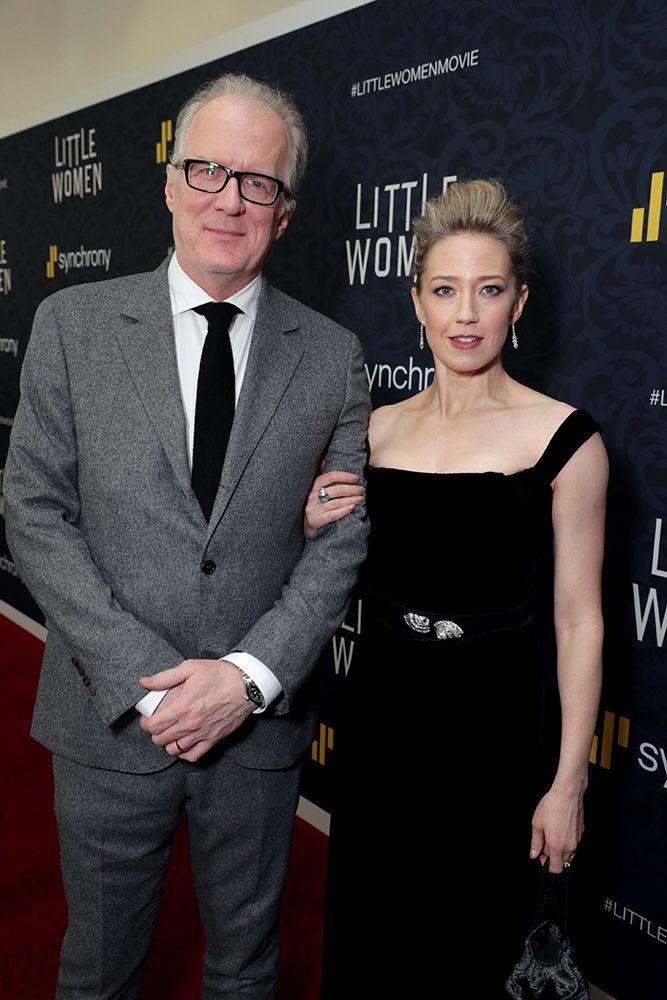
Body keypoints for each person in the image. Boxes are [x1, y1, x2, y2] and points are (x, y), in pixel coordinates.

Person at [4, 72, 369, 999]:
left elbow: (339, 542)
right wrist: (149, 686)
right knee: (96, 969)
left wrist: (247, 679)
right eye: (206, 170)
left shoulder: (332, 356)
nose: (228, 199)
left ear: (284, 212)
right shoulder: (71, 326)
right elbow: (34, 513)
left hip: (256, 733)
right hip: (107, 721)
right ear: (168, 183)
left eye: (257, 182)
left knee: (246, 971)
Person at [305, 179, 607, 997]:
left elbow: (579, 621)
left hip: (497, 729)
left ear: (519, 302)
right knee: (379, 936)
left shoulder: (565, 439)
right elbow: (334, 570)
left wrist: (565, 784)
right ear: (416, 302)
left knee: (474, 949)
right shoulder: (372, 430)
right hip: (386, 713)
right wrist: (310, 527)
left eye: (488, 290)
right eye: (444, 290)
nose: (465, 314)